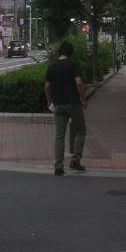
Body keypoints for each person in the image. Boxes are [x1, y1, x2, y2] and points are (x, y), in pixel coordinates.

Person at [44, 40, 87, 176]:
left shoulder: (52, 66)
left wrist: (50, 100)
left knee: (59, 136)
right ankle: (75, 160)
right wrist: (82, 97)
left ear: (60, 52)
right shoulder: (74, 63)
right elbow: (78, 82)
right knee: (80, 131)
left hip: (58, 105)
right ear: (71, 52)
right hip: (73, 103)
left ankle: (58, 165)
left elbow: (47, 86)